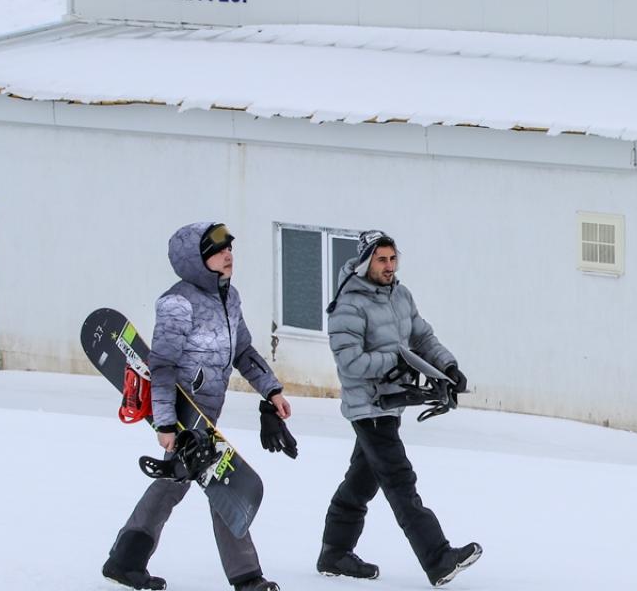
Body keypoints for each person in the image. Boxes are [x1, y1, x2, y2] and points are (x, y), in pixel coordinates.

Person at [103, 222, 298, 591]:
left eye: (229, 248)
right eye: (217, 251)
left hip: (206, 412)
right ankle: (247, 577)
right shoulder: (177, 303)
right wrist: (165, 423)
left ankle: (125, 560)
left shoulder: (229, 297)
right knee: (223, 482)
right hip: (183, 412)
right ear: (195, 260)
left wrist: (271, 390)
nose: (228, 255)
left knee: (174, 484)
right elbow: (162, 366)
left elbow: (243, 351)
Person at [317, 230, 482, 587]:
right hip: (368, 407)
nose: (389, 266)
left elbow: (422, 337)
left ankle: (334, 552)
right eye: (381, 260)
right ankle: (438, 559)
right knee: (399, 481)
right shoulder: (349, 305)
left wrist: (448, 367)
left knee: (361, 482)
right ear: (365, 262)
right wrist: (395, 362)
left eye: (393, 259)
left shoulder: (400, 295)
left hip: (391, 403)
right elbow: (350, 363)